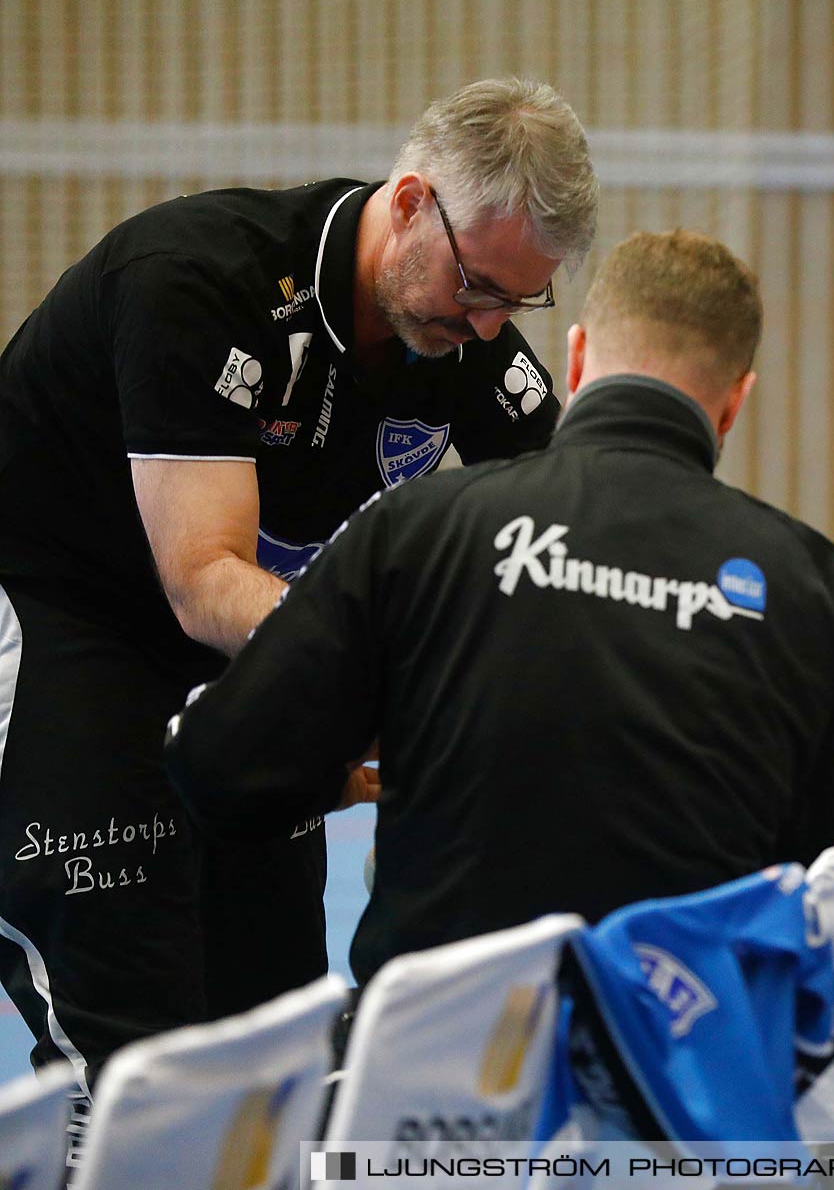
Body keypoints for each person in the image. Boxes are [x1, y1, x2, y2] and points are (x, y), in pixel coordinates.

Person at [0, 76, 600, 1098]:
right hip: (71, 612)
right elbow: (201, 583)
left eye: (521, 299)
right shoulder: (192, 281)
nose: (495, 327)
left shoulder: (458, 325)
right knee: (130, 1039)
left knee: (271, 1014)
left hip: (254, 640)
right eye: (481, 288)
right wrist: (397, 690)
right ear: (410, 204)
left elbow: (586, 522)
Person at [163, 228, 834, 985]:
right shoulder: (805, 580)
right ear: (735, 403)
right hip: (686, 1083)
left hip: (429, 1090)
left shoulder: (422, 527)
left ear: (575, 361)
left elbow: (221, 766)